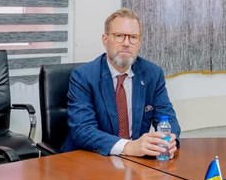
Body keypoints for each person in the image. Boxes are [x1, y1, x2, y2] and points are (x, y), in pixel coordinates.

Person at [61, 8, 180, 157]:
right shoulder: (83, 76)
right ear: (105, 39)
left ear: (140, 42)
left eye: (133, 37)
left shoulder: (152, 74)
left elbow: (167, 118)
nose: (126, 43)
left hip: (134, 161)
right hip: (91, 158)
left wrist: (169, 140)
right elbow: (82, 130)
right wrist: (128, 146)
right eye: (119, 36)